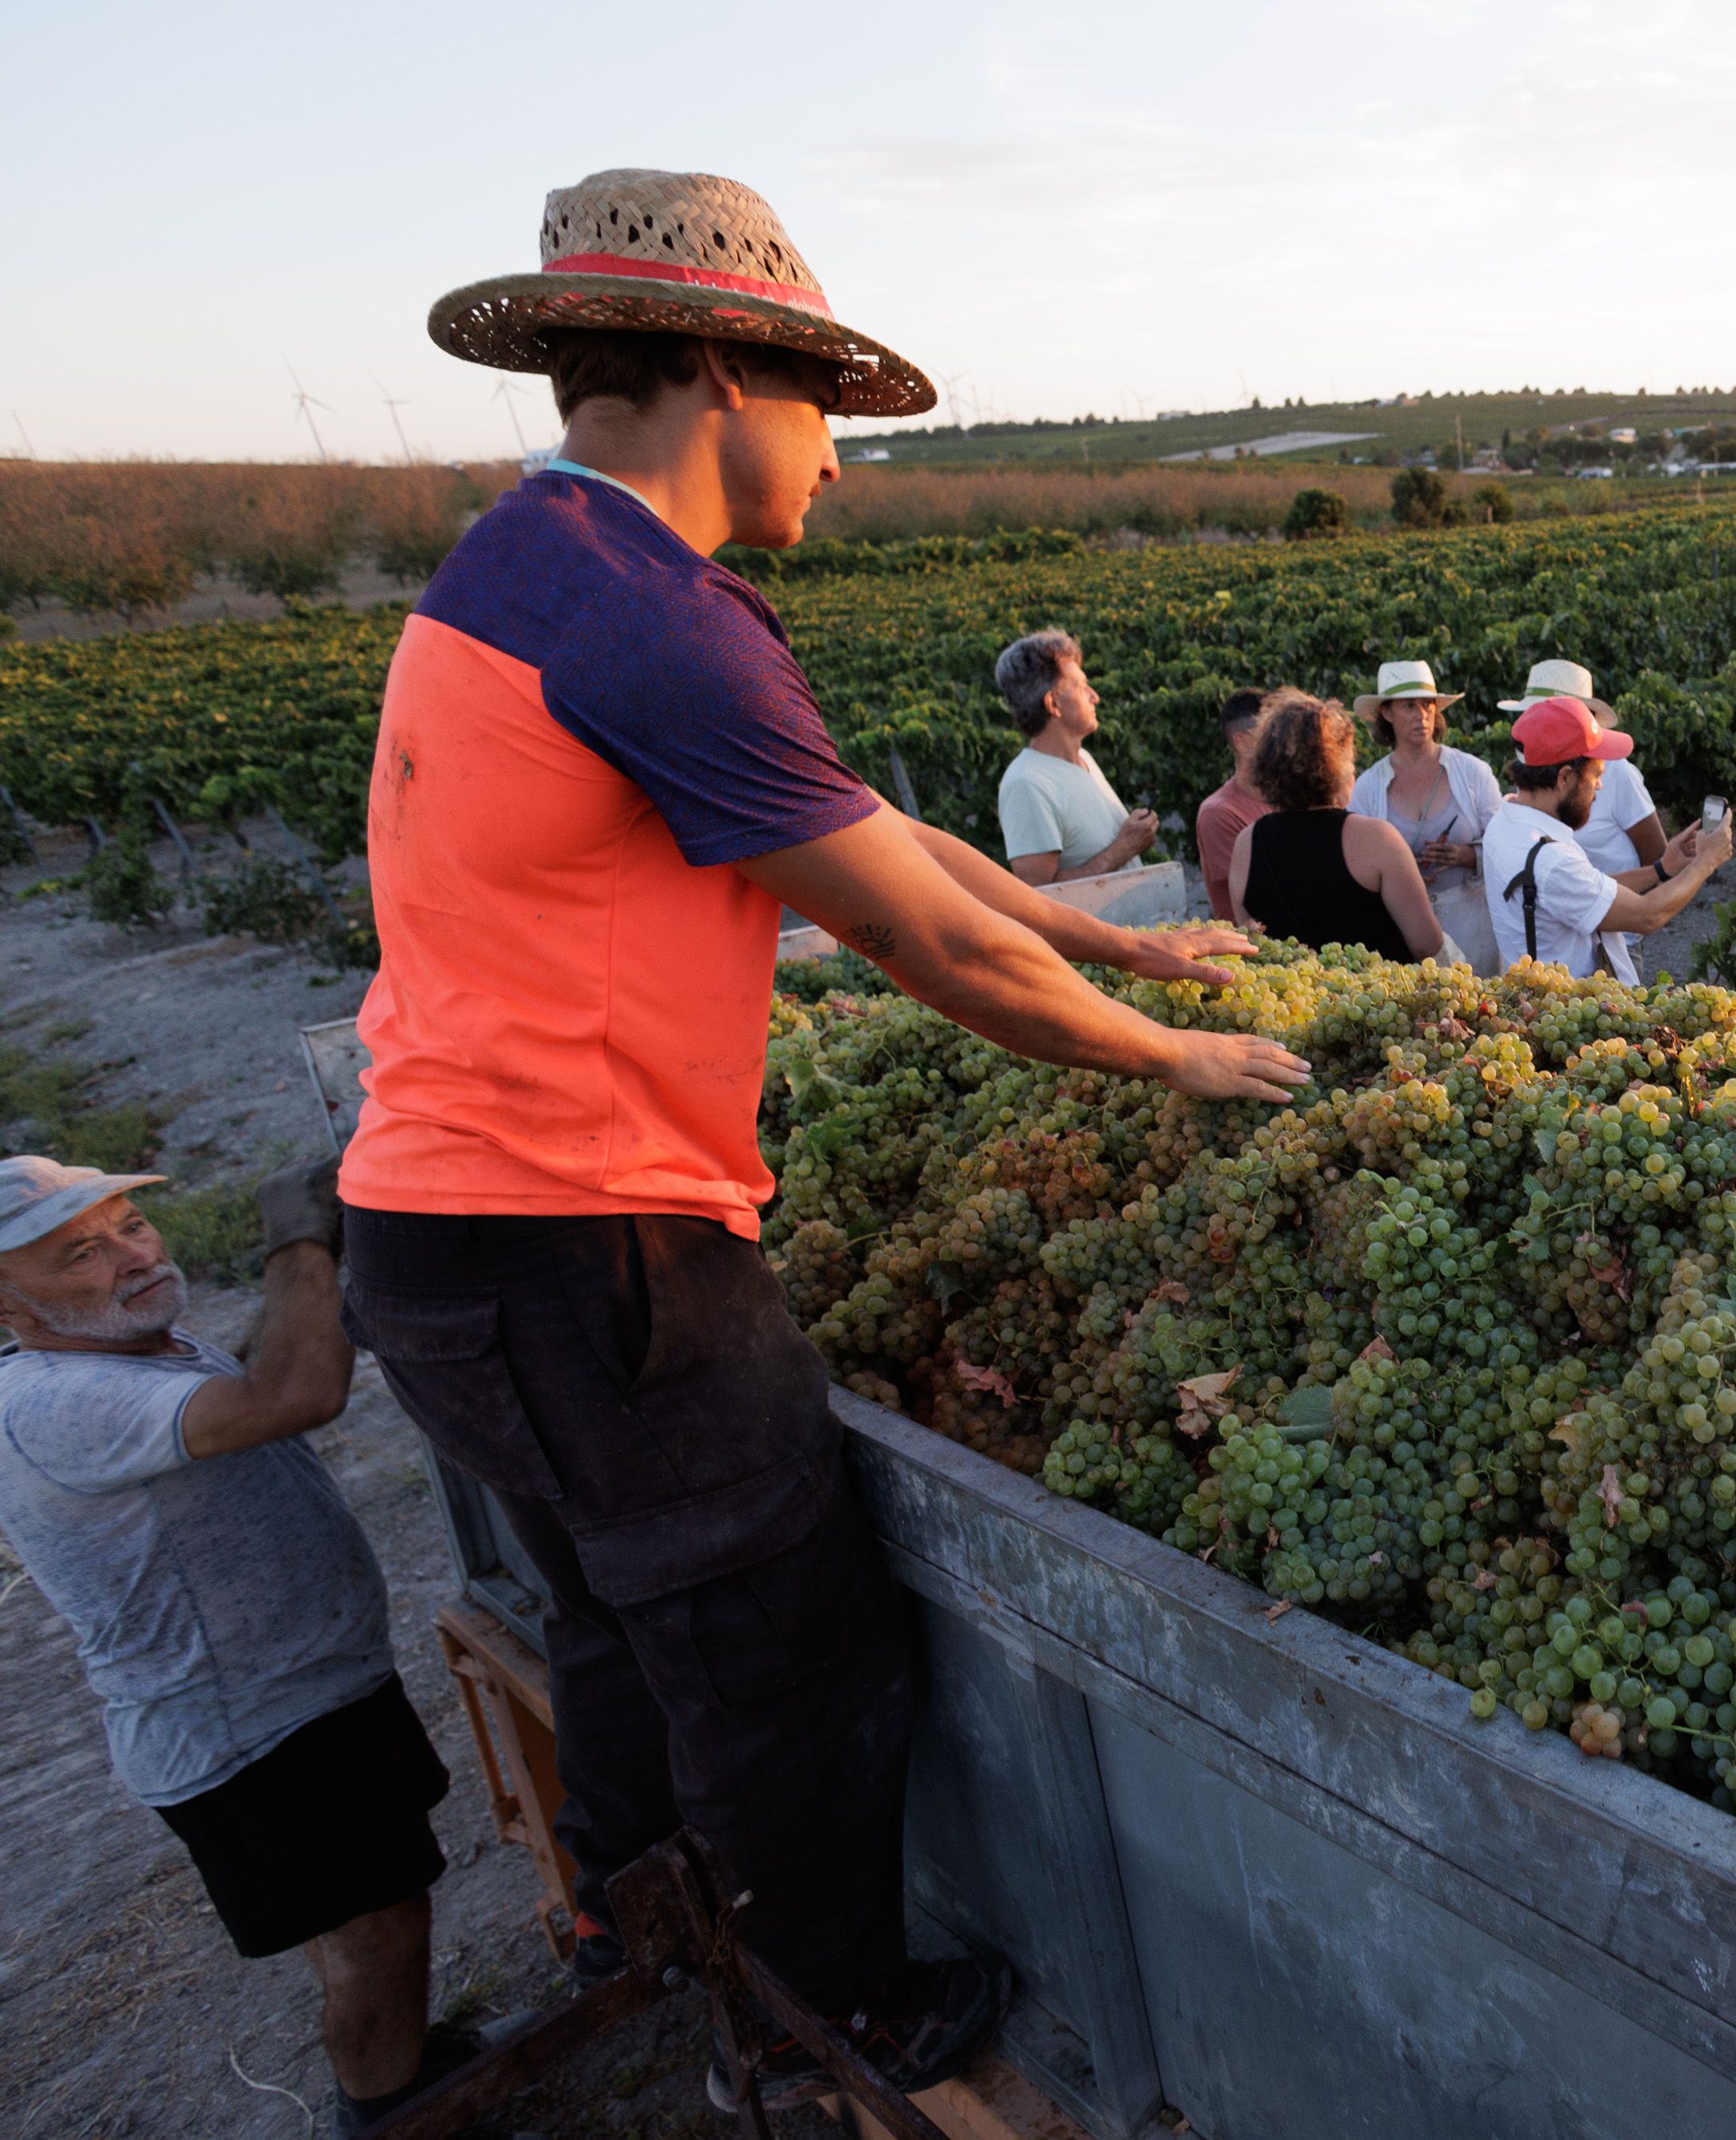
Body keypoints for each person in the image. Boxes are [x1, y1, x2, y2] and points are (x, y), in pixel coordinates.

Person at [371, 166, 1309, 2117]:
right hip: (589, 1247)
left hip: (445, 1236)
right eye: (827, 412)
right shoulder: (647, 620)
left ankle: (637, 1932)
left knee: (622, 1623)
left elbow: (910, 856)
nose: (841, 462)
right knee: (781, 1637)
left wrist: (1123, 933)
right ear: (724, 370)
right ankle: (816, 2035)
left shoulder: (521, 575)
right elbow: (915, 935)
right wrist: (1170, 1059)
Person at [0, 1153, 465, 2138]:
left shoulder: (127, 1349)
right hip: (253, 1730)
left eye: (129, 1225)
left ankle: (411, 2074)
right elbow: (293, 1393)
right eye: (81, 1253)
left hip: (299, 1695)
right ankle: (395, 2113)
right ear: (7, 1304)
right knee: (373, 1927)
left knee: (366, 1912)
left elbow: (260, 1374)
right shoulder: (55, 1401)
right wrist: (300, 1240)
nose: (129, 1257)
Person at [1479, 696, 1733, 980]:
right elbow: (1648, 916)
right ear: (1565, 778)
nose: (1600, 785)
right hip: (1579, 1013)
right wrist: (1706, 862)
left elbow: (1585, 889)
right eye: (1596, 775)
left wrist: (1662, 869)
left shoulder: (1505, 821)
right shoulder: (1551, 860)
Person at [1234, 691, 1444, 962]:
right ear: (1339, 765)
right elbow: (1427, 944)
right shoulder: (1377, 839)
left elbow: (1252, 942)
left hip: (1293, 1000)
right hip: (1375, 1001)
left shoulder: (1246, 844)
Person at [1502, 659, 1662, 975]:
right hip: (1574, 942)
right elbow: (1568, 880)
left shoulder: (1617, 775)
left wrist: (1622, 917)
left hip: (1614, 938)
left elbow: (1655, 852)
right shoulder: (1533, 784)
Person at [1349, 660, 1503, 972]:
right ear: (1387, 713)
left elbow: (1505, 846)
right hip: (1399, 938)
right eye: (1409, 706)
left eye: (1428, 705)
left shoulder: (1473, 773)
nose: (1422, 715)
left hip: (1473, 931)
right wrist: (1399, 880)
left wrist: (1468, 855)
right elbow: (1354, 863)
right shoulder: (1367, 788)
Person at [995, 630, 1158, 884]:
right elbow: (1042, 895)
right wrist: (1123, 849)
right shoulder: (1027, 784)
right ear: (1053, 704)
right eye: (1081, 687)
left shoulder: (1084, 759)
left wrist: (1132, 838)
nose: (1095, 696)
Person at [1194, 688, 1272, 924]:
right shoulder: (1219, 813)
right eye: (1273, 732)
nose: (1287, 742)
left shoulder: (1283, 800)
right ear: (1244, 743)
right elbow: (1260, 901)